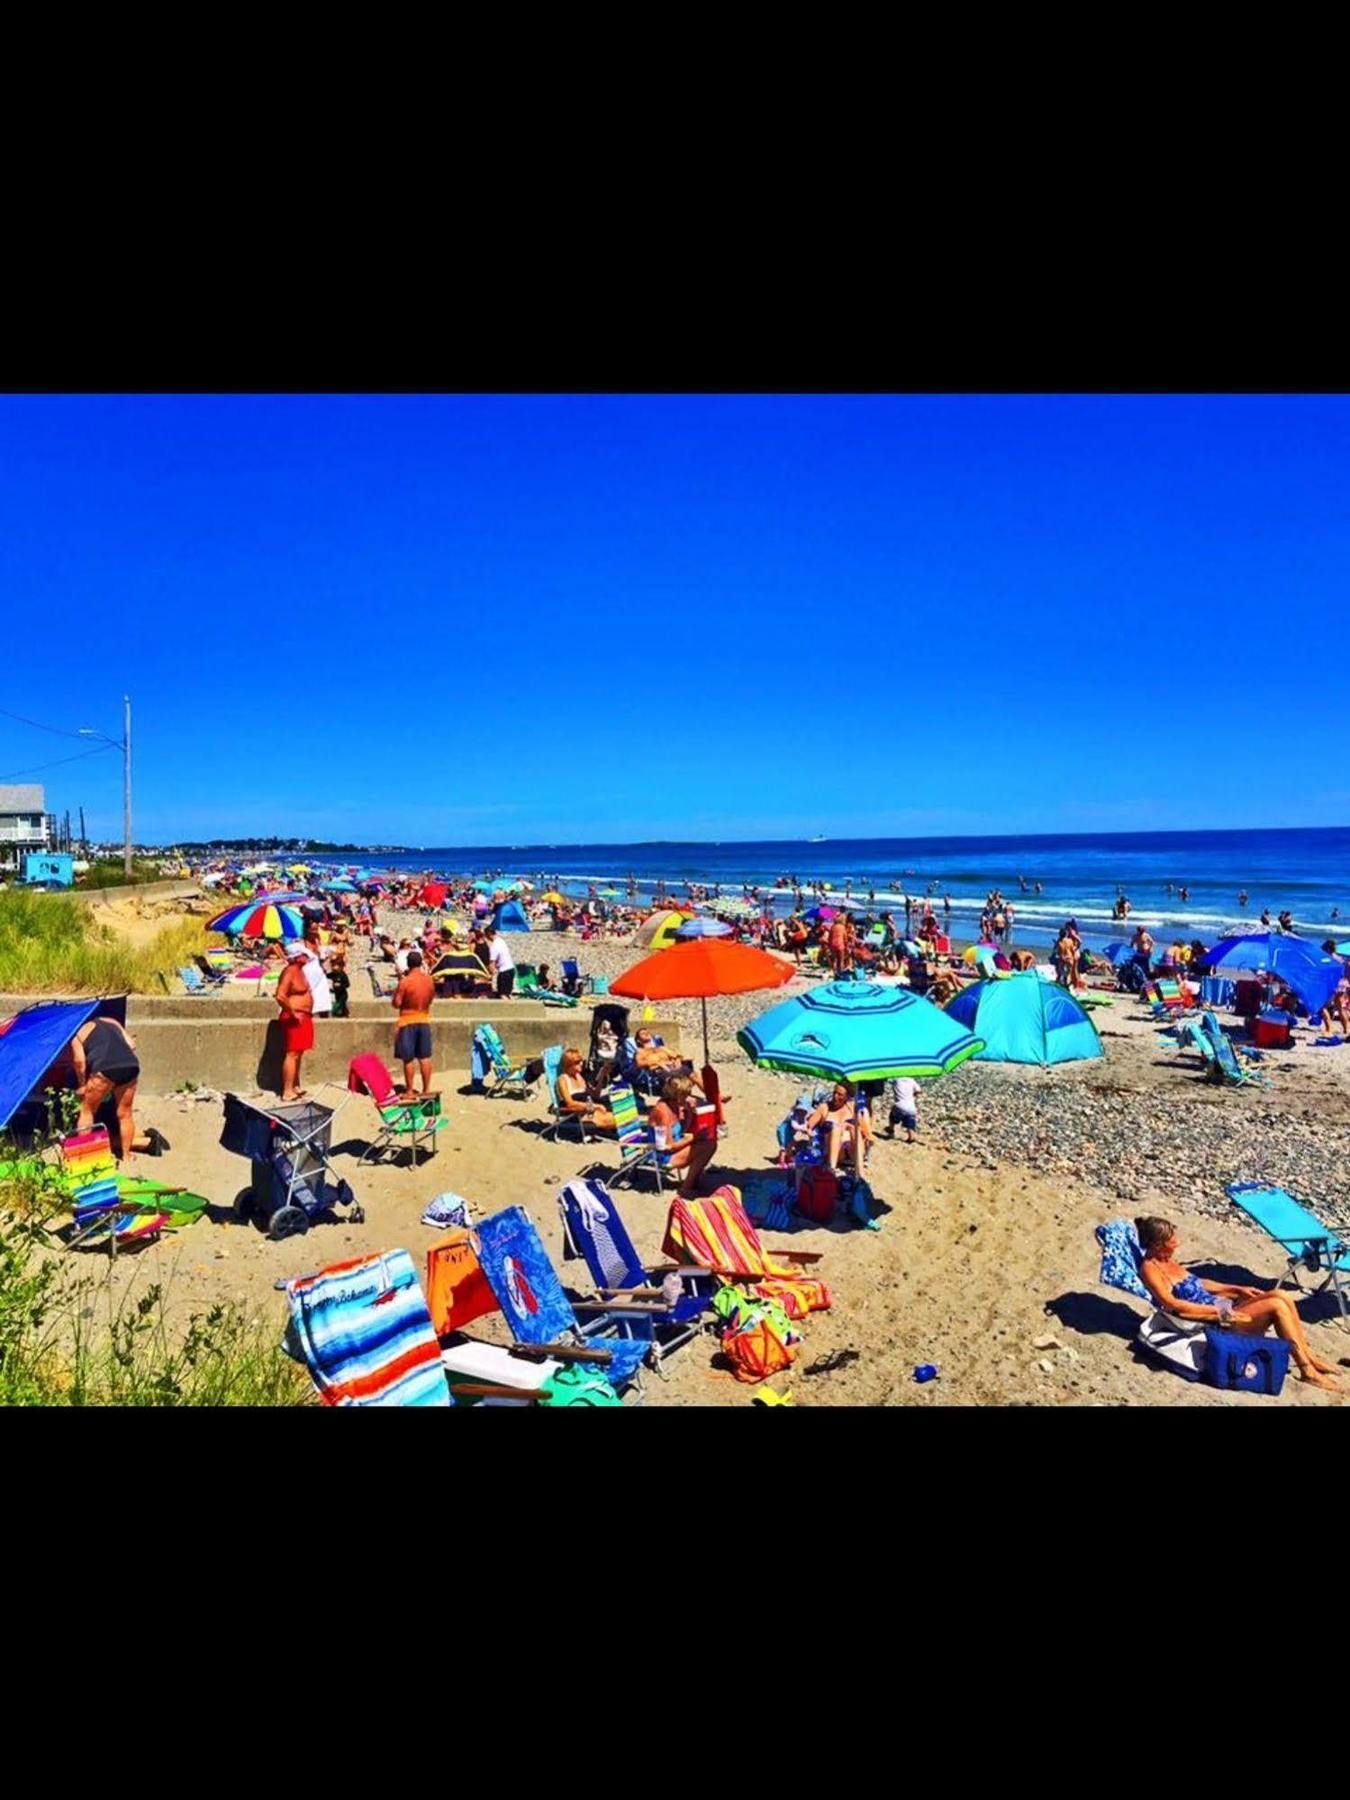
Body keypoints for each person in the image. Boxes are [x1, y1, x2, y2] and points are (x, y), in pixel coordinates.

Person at [1135, 1216, 1339, 1391]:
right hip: (1210, 1321)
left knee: (1281, 1294)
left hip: (1221, 1308)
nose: (1177, 1243)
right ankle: (1307, 1370)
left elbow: (1198, 1283)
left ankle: (1310, 1357)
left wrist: (1236, 1289)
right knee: (1276, 1306)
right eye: (1172, 1241)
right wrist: (1219, 1312)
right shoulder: (1150, 1270)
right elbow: (1173, 1305)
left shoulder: (1166, 1260)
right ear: (1156, 1245)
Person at [70, 1015, 169, 1161]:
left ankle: (85, 1155)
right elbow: (131, 1045)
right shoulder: (112, 1022)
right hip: (130, 1065)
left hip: (104, 1068)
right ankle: (127, 1155)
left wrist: (82, 1084)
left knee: (87, 1111)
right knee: (125, 1114)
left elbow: (79, 1062)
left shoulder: (78, 1034)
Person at [647, 1074, 716, 1199]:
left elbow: (683, 1130)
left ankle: (693, 1181)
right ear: (675, 1094)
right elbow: (667, 1146)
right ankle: (686, 1187)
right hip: (662, 1156)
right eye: (684, 1094)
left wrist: (689, 1112)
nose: (688, 1097)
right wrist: (693, 1138)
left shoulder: (676, 1106)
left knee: (709, 1140)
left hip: (674, 1148)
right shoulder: (662, 1111)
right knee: (708, 1146)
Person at [391, 948, 436, 1098]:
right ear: (421, 963)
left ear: (408, 964)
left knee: (408, 1058)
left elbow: (397, 1003)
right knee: (425, 1057)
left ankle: (409, 1090)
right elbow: (430, 999)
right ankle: (426, 1089)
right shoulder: (429, 980)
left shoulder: (405, 982)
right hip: (423, 1019)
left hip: (407, 1020)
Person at [805, 1078, 873, 1174]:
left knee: (855, 1129)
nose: (835, 1097)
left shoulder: (852, 1107)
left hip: (852, 1152)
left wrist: (866, 1136)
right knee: (836, 1129)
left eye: (840, 1095)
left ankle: (860, 1171)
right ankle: (831, 1169)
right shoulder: (824, 1108)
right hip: (833, 1151)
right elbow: (808, 1126)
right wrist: (809, 1132)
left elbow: (865, 1130)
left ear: (847, 1097)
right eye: (834, 1093)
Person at [275, 943, 316, 1101]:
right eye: (303, 954)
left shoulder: (300, 971)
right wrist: (292, 1013)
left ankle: (295, 1086)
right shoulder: (290, 971)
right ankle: (287, 1090)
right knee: (292, 1054)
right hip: (294, 1017)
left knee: (299, 1053)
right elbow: (280, 995)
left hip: (303, 1016)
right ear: (298, 956)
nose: (306, 957)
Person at [556, 1046, 615, 1131]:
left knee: (624, 1115)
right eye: (577, 1062)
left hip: (589, 1109)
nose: (581, 1064)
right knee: (618, 1119)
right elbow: (570, 1103)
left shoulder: (579, 1077)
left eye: (581, 1061)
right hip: (578, 1113)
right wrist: (594, 1106)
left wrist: (602, 1075)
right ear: (568, 1064)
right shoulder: (563, 1079)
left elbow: (595, 1094)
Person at [886, 1074, 920, 1142]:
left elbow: (887, 1080)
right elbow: (919, 1091)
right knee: (910, 1122)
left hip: (899, 1105)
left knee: (892, 1117)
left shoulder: (896, 1080)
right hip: (911, 1107)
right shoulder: (912, 1081)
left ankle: (891, 1131)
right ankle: (911, 1137)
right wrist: (913, 1095)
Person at [328, 950, 350, 1019]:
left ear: (340, 966)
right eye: (333, 965)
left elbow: (347, 984)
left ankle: (340, 1014)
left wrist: (340, 985)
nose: (334, 967)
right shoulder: (333, 974)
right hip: (336, 994)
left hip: (343, 994)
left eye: (335, 965)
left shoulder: (343, 975)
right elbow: (327, 976)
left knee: (340, 1004)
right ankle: (343, 1014)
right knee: (339, 1003)